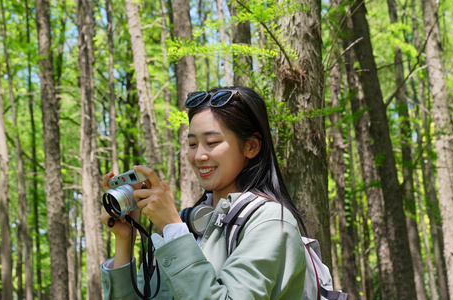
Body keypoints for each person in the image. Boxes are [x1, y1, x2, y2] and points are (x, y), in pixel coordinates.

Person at [100, 86, 307, 299]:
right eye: (192, 144)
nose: (198, 156)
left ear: (251, 147)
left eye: (212, 143)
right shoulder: (183, 223)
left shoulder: (270, 222)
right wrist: (124, 239)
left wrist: (173, 229)